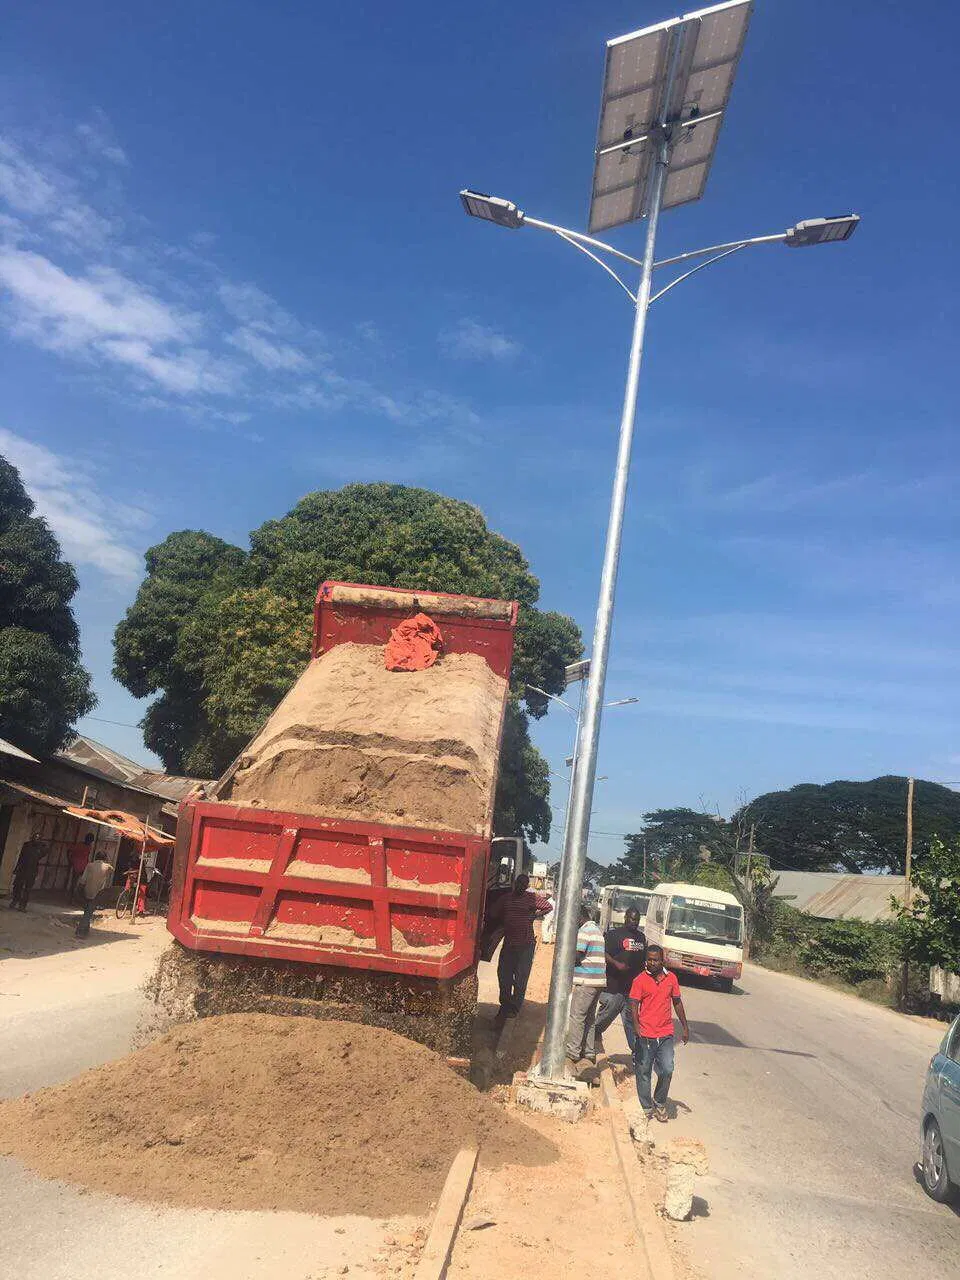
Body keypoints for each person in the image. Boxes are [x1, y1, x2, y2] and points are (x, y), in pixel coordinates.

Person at [630, 943, 690, 1122]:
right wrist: (636, 1025)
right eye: (649, 960)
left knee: (667, 1069)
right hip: (645, 1034)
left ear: (662, 961)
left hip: (665, 1033)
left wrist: (685, 1027)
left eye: (656, 960)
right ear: (645, 961)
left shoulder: (671, 979)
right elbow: (633, 1004)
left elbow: (677, 1002)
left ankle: (660, 1102)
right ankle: (647, 1107)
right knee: (644, 1071)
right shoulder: (639, 980)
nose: (652, 963)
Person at [495, 873, 552, 1022]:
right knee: (504, 977)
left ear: (526, 886)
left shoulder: (531, 898)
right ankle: (505, 1005)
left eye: (523, 884)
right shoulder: (506, 898)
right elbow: (494, 912)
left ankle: (514, 1008)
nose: (520, 886)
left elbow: (548, 906)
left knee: (521, 980)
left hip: (525, 946)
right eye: (518, 883)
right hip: (509, 945)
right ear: (515, 883)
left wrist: (536, 915)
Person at [595, 906, 647, 1052]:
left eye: (637, 919)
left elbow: (643, 961)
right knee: (607, 1013)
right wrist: (615, 963)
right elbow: (602, 953)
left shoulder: (641, 938)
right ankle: (591, 1034)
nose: (634, 922)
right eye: (632, 918)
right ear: (625, 918)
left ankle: (637, 1052)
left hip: (632, 989)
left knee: (631, 1022)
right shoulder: (613, 935)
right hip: (613, 986)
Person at [564, 904, 607, 1069]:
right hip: (598, 981)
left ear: (578, 917)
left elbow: (577, 956)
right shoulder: (596, 930)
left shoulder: (584, 931)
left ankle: (573, 1051)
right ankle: (589, 1052)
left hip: (586, 981)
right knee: (589, 1018)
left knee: (577, 1016)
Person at [75, 855, 115, 938]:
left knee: (87, 910)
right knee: (89, 912)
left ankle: (85, 930)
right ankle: (81, 931)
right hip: (98, 892)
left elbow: (83, 879)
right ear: (104, 859)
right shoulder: (107, 867)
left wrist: (79, 889)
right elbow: (112, 869)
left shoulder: (90, 865)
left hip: (87, 889)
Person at [8, 830, 46, 911]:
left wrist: (41, 847)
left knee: (27, 889)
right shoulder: (27, 845)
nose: (36, 839)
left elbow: (43, 854)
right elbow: (21, 857)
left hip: (32, 870)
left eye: (38, 838)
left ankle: (22, 905)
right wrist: (17, 868)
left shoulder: (41, 847)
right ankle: (15, 900)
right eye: (35, 837)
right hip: (23, 868)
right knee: (17, 886)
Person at [66, 833, 95, 903]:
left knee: (80, 883)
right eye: (90, 840)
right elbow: (69, 850)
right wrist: (70, 860)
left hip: (83, 866)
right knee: (75, 882)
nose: (90, 842)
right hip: (77, 866)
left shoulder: (88, 846)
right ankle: (72, 898)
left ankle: (76, 898)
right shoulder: (80, 845)